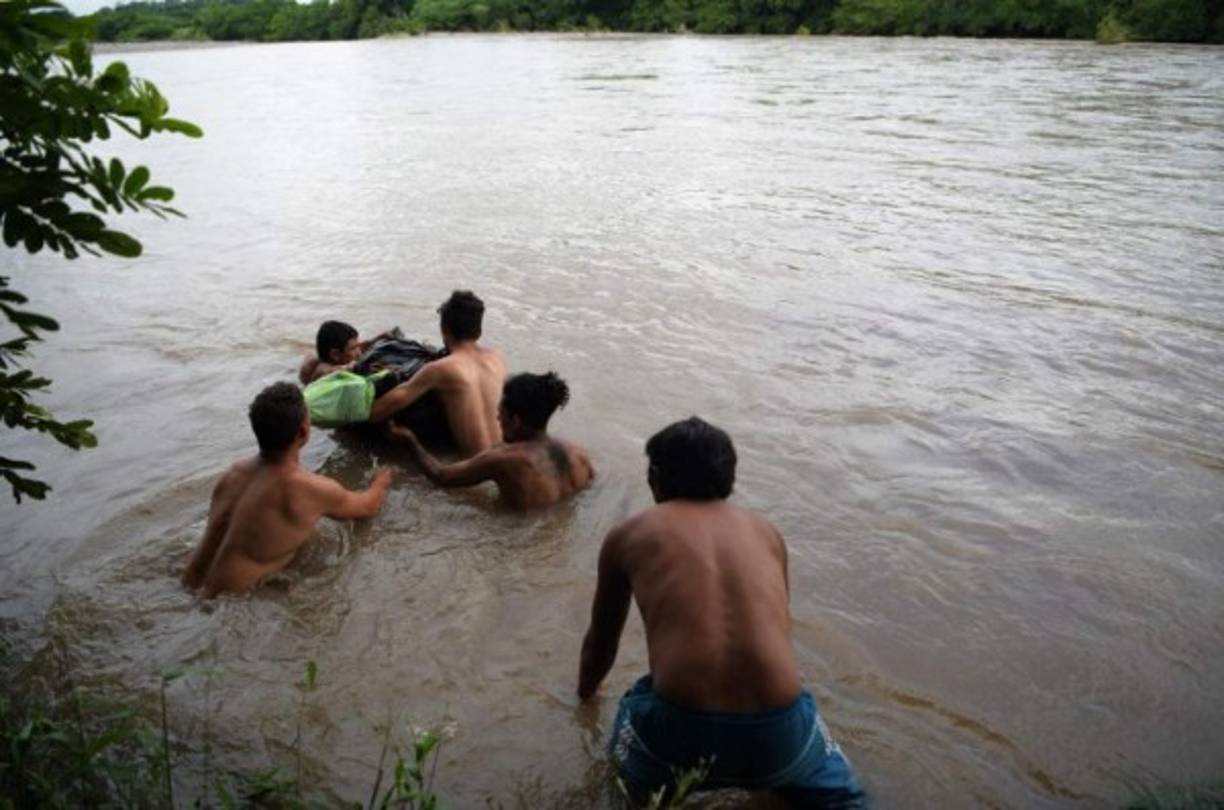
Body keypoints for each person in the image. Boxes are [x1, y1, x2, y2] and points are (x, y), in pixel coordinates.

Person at [577, 417, 866, 808]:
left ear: (654, 478)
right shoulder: (766, 532)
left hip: (679, 732)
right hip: (780, 730)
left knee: (628, 770)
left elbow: (601, 643)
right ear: (728, 477)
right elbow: (779, 629)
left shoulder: (629, 534)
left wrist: (585, 698)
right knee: (838, 797)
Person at [182, 382, 393, 598]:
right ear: (303, 432)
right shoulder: (308, 489)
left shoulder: (233, 473)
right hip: (228, 603)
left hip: (187, 585)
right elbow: (368, 506)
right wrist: (381, 480)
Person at [387, 372, 594, 510]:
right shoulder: (579, 453)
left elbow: (442, 476)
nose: (497, 418)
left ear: (515, 419)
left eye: (500, 413)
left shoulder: (506, 458)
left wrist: (409, 440)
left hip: (516, 548)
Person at [368, 290, 506, 458]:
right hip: (505, 462)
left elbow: (377, 412)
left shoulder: (440, 369)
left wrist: (386, 378)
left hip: (472, 473)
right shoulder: (497, 359)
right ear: (479, 330)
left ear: (444, 329)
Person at [299, 320, 396, 385]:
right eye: (353, 349)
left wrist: (378, 338)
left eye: (357, 346)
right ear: (335, 355)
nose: (359, 353)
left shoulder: (330, 355)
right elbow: (344, 369)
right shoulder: (323, 370)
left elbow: (360, 346)